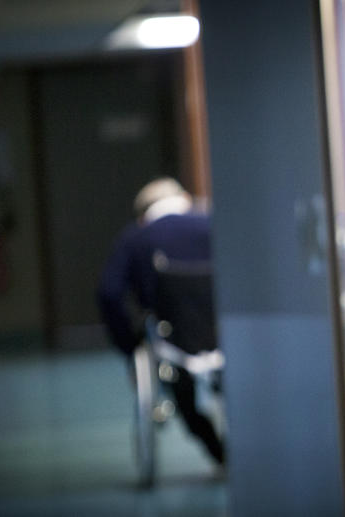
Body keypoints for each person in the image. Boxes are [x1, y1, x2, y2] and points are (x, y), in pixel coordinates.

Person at [98, 177, 225, 466]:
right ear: (185, 199)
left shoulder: (135, 238)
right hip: (224, 332)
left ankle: (215, 448)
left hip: (172, 338)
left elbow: (108, 293)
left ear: (144, 214)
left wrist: (128, 346)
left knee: (179, 386)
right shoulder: (214, 223)